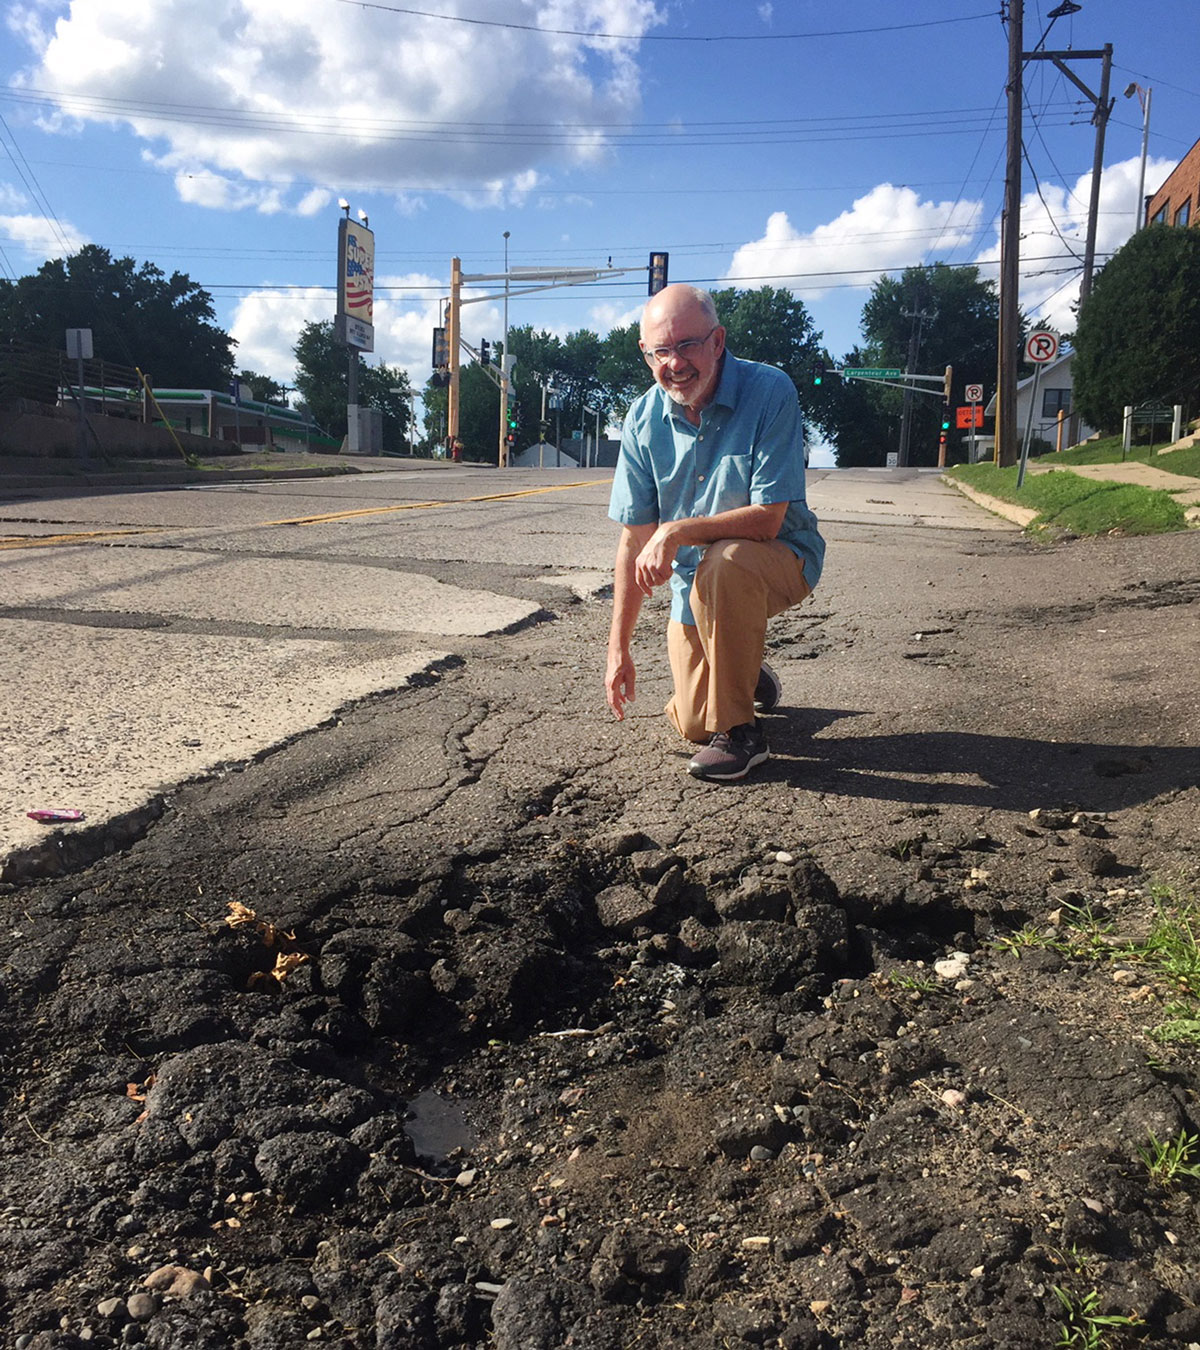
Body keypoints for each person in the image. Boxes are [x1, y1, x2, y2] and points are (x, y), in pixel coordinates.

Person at [605, 284, 825, 781]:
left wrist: (677, 531)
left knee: (724, 559)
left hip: (779, 557)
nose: (675, 363)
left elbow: (768, 517)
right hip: (698, 586)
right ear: (646, 355)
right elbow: (634, 540)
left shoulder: (769, 390)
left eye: (687, 345)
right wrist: (619, 649)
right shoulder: (641, 420)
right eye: (661, 350)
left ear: (718, 341)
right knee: (692, 725)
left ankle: (743, 735)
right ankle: (742, 673)